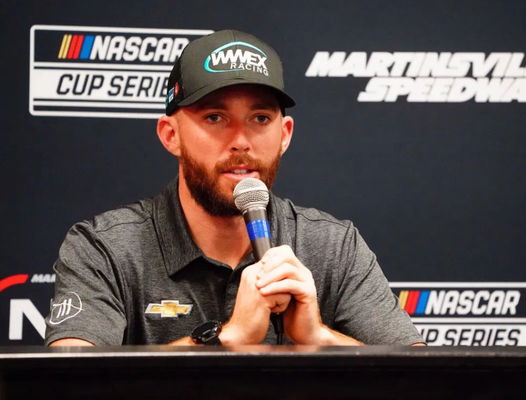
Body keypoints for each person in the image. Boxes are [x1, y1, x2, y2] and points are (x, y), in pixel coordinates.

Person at [44, 30, 424, 347]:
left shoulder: (333, 245)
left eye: (260, 118)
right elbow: (66, 382)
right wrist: (228, 337)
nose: (241, 140)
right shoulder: (104, 247)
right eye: (215, 117)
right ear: (170, 135)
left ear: (285, 136)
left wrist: (317, 338)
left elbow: (423, 379)